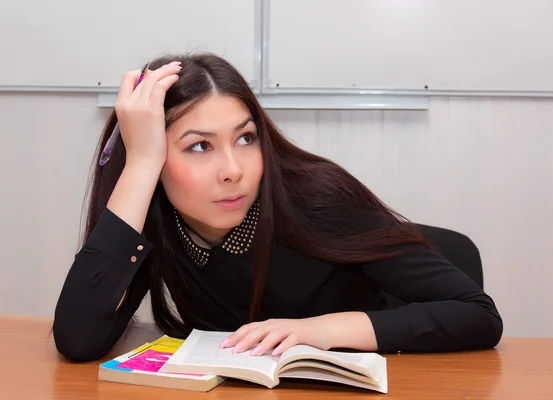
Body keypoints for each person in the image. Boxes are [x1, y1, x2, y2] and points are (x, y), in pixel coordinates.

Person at [52, 53, 503, 362]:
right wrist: (141, 165)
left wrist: (320, 332)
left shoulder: (319, 198)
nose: (233, 170)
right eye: (199, 146)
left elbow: (478, 315)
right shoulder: (154, 215)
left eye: (245, 138)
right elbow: (77, 338)